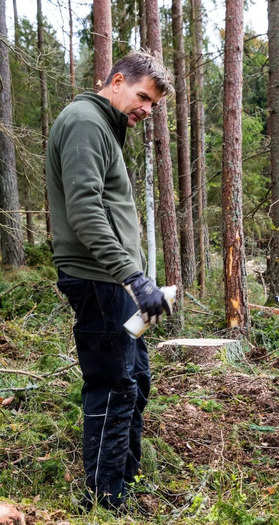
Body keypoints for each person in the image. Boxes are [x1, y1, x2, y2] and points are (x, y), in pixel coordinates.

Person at [46, 51, 173, 510]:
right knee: (113, 383)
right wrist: (132, 277)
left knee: (135, 378)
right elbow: (84, 211)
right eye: (143, 97)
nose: (146, 109)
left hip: (114, 281)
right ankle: (104, 501)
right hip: (99, 279)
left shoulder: (102, 127)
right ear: (117, 81)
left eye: (154, 105)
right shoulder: (85, 122)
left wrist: (135, 280)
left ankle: (127, 485)